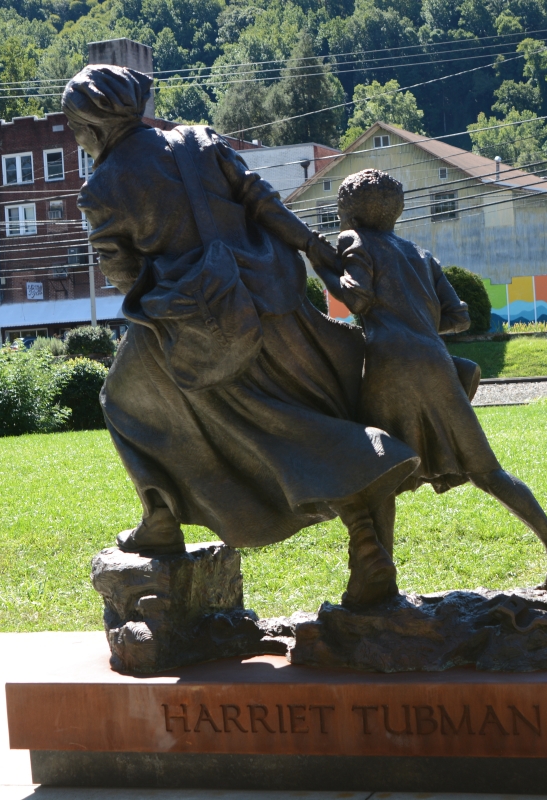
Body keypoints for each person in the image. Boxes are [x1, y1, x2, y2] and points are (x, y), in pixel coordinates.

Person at [63, 65, 415, 606]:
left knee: (122, 403)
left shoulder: (101, 188)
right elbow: (261, 199)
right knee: (308, 417)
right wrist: (313, 246)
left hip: (197, 321)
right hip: (272, 298)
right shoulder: (197, 140)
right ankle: (366, 541)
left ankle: (160, 519)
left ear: (91, 124)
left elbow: (125, 277)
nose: (77, 138)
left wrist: (171, 320)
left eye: (75, 127)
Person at [318, 169, 547, 591]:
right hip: (436, 362)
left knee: (380, 475)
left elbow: (356, 298)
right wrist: (417, 326)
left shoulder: (353, 241)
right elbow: (459, 317)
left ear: (347, 212)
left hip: (388, 366)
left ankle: (377, 585)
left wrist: (322, 264)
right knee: (487, 470)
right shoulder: (421, 255)